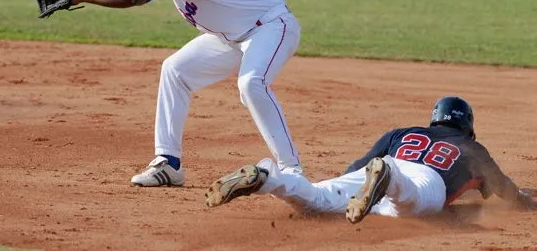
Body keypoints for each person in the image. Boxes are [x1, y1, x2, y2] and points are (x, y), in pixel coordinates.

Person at [71, 0, 303, 187]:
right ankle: (168, 164)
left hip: (271, 27)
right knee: (175, 70)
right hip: (231, 36)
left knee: (251, 84)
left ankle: (292, 171)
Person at [205, 96, 537, 222]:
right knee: (410, 203)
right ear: (468, 126)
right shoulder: (471, 149)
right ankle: (388, 179)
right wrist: (525, 199)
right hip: (420, 179)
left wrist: (350, 185)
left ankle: (269, 178)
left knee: (317, 199)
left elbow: (355, 168)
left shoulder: (403, 133)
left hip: (378, 170)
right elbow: (505, 189)